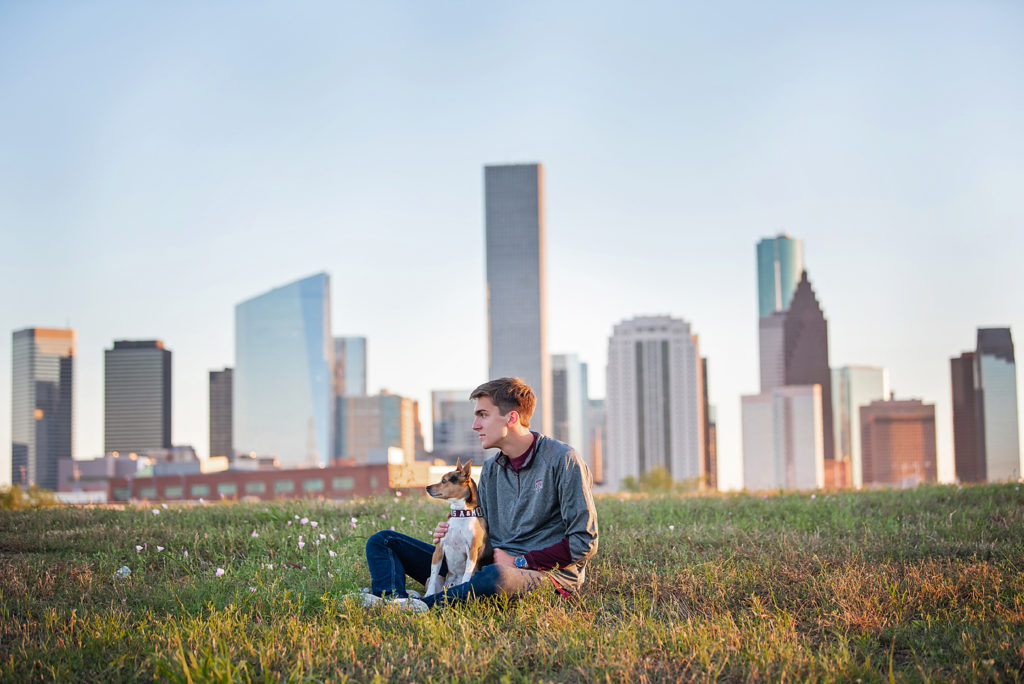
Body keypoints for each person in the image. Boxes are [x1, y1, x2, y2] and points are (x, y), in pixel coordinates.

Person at [353, 377, 599, 611]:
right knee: (384, 540)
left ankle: (421, 607)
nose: (475, 425)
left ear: (511, 417)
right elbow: (480, 525)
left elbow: (584, 541)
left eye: (483, 415)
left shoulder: (564, 461)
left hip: (542, 575)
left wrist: (520, 562)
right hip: (483, 562)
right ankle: (392, 598)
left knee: (496, 576)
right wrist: (455, 531)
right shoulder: (491, 468)